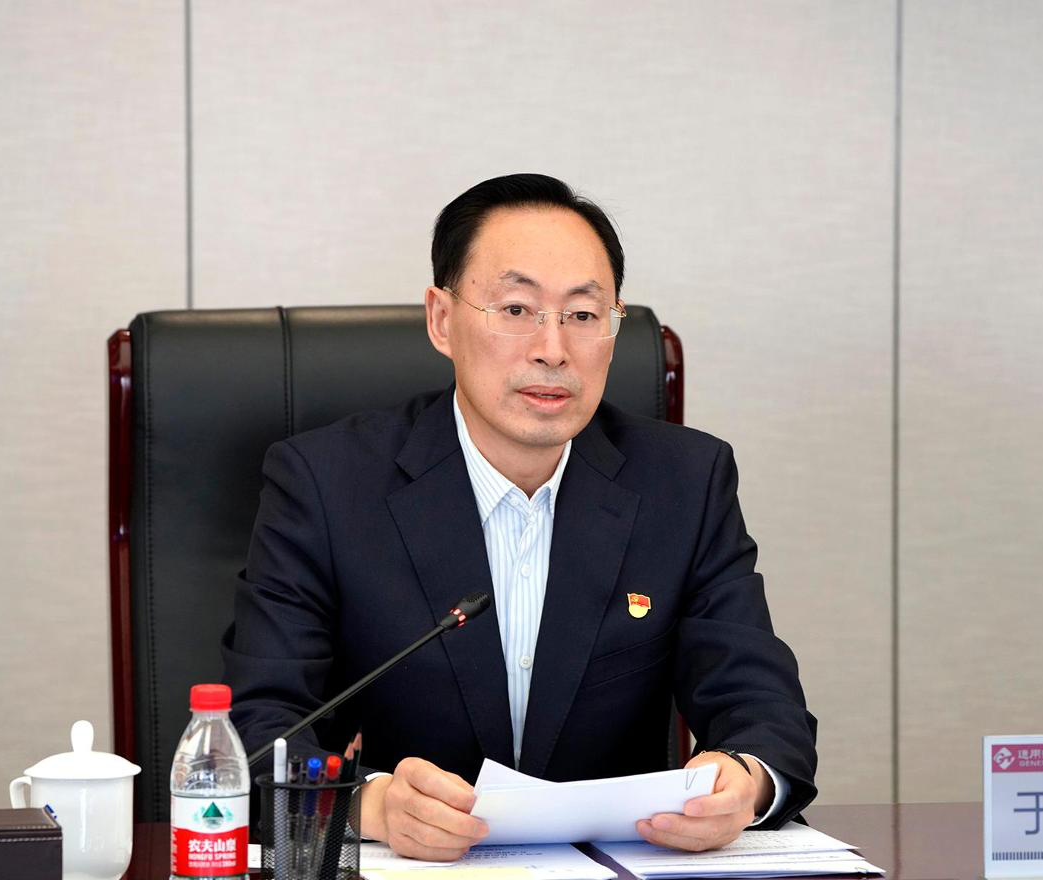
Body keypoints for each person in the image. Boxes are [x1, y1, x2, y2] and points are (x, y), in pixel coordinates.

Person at [222, 173, 817, 861]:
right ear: (442, 320)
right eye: (516, 309)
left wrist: (744, 780)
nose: (552, 349)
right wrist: (368, 804)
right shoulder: (325, 484)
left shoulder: (684, 482)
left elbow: (761, 706)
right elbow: (257, 727)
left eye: (583, 316)